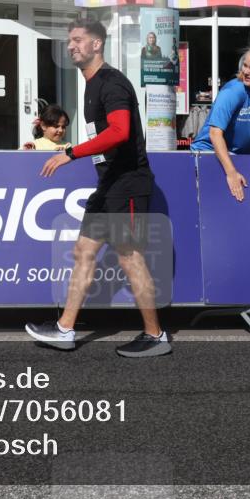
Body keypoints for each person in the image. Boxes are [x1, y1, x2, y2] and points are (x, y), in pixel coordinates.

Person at [24, 18, 169, 358]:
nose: (71, 45)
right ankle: (64, 329)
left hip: (128, 183)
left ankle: (156, 334)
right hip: (108, 184)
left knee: (129, 258)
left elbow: (119, 132)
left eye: (77, 40)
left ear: (96, 44)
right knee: (84, 252)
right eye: (69, 40)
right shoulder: (90, 85)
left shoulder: (112, 83)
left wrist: (69, 154)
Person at [190, 46, 250, 202]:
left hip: (239, 155)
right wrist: (231, 173)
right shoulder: (233, 91)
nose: (246, 72)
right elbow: (215, 133)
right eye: (245, 65)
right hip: (209, 152)